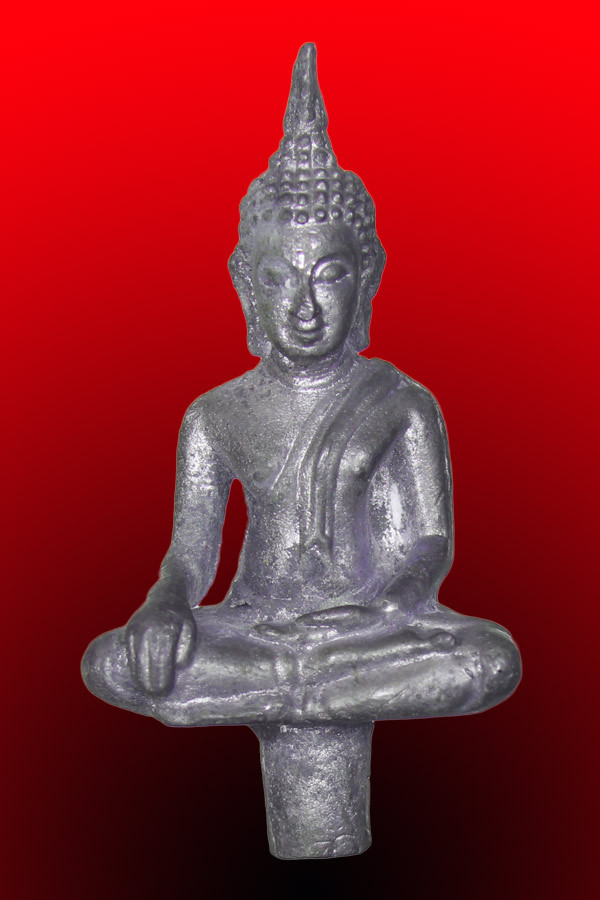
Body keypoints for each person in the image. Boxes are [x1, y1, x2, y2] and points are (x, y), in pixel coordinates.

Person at [82, 44, 521, 730]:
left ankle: (293, 692)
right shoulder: (215, 415)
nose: (305, 306)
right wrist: (164, 606)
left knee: (489, 658)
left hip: (365, 632)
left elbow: (429, 542)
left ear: (367, 277)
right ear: (245, 285)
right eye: (279, 278)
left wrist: (389, 605)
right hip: (255, 628)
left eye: (329, 275)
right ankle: (306, 690)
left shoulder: (401, 402)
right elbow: (190, 555)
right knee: (111, 661)